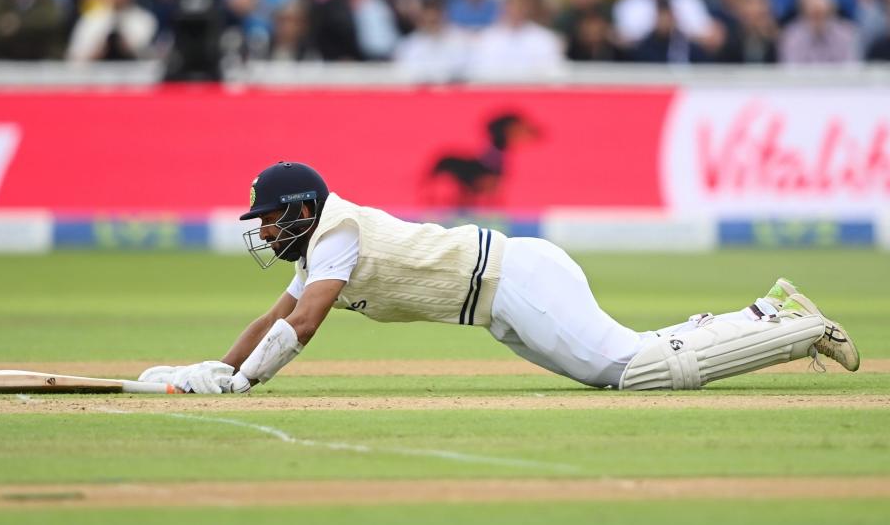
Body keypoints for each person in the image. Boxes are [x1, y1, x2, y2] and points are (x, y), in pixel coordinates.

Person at [139, 161, 860, 394]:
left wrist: (242, 384)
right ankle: (769, 313)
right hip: (501, 300)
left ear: (300, 209)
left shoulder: (339, 231)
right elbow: (274, 318)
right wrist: (211, 366)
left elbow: (300, 329)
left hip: (516, 278)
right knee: (629, 362)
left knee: (635, 373)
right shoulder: (319, 249)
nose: (265, 231)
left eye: (270, 218)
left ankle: (789, 324)